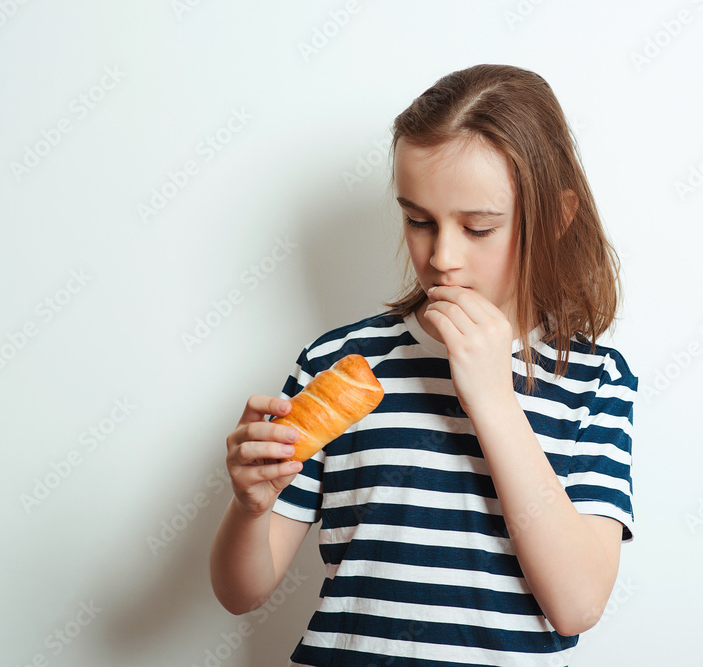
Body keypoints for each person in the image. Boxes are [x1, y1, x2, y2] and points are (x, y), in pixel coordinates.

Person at [210, 63, 638, 666]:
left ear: (557, 218)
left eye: (479, 227)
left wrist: (491, 395)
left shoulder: (594, 382)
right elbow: (241, 592)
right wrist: (250, 508)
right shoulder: (341, 364)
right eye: (418, 220)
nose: (442, 257)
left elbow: (577, 603)